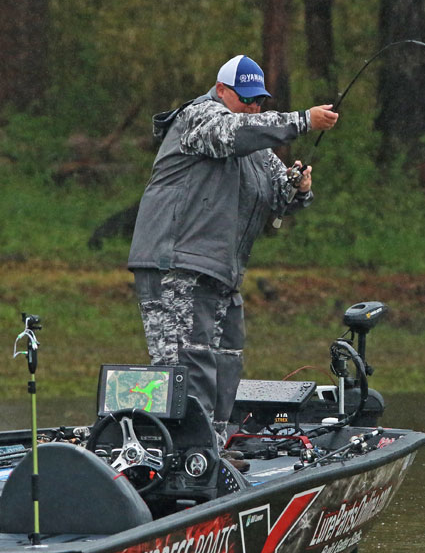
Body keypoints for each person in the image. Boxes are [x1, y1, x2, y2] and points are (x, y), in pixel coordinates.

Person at [127, 55, 339, 467]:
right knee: (189, 364)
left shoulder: (254, 146)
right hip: (176, 265)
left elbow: (277, 192)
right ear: (222, 91)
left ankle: (212, 450)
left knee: (225, 363)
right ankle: (189, 457)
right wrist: (302, 121)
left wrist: (298, 188)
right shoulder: (201, 118)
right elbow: (232, 133)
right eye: (246, 100)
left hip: (220, 272)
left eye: (259, 101)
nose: (253, 108)